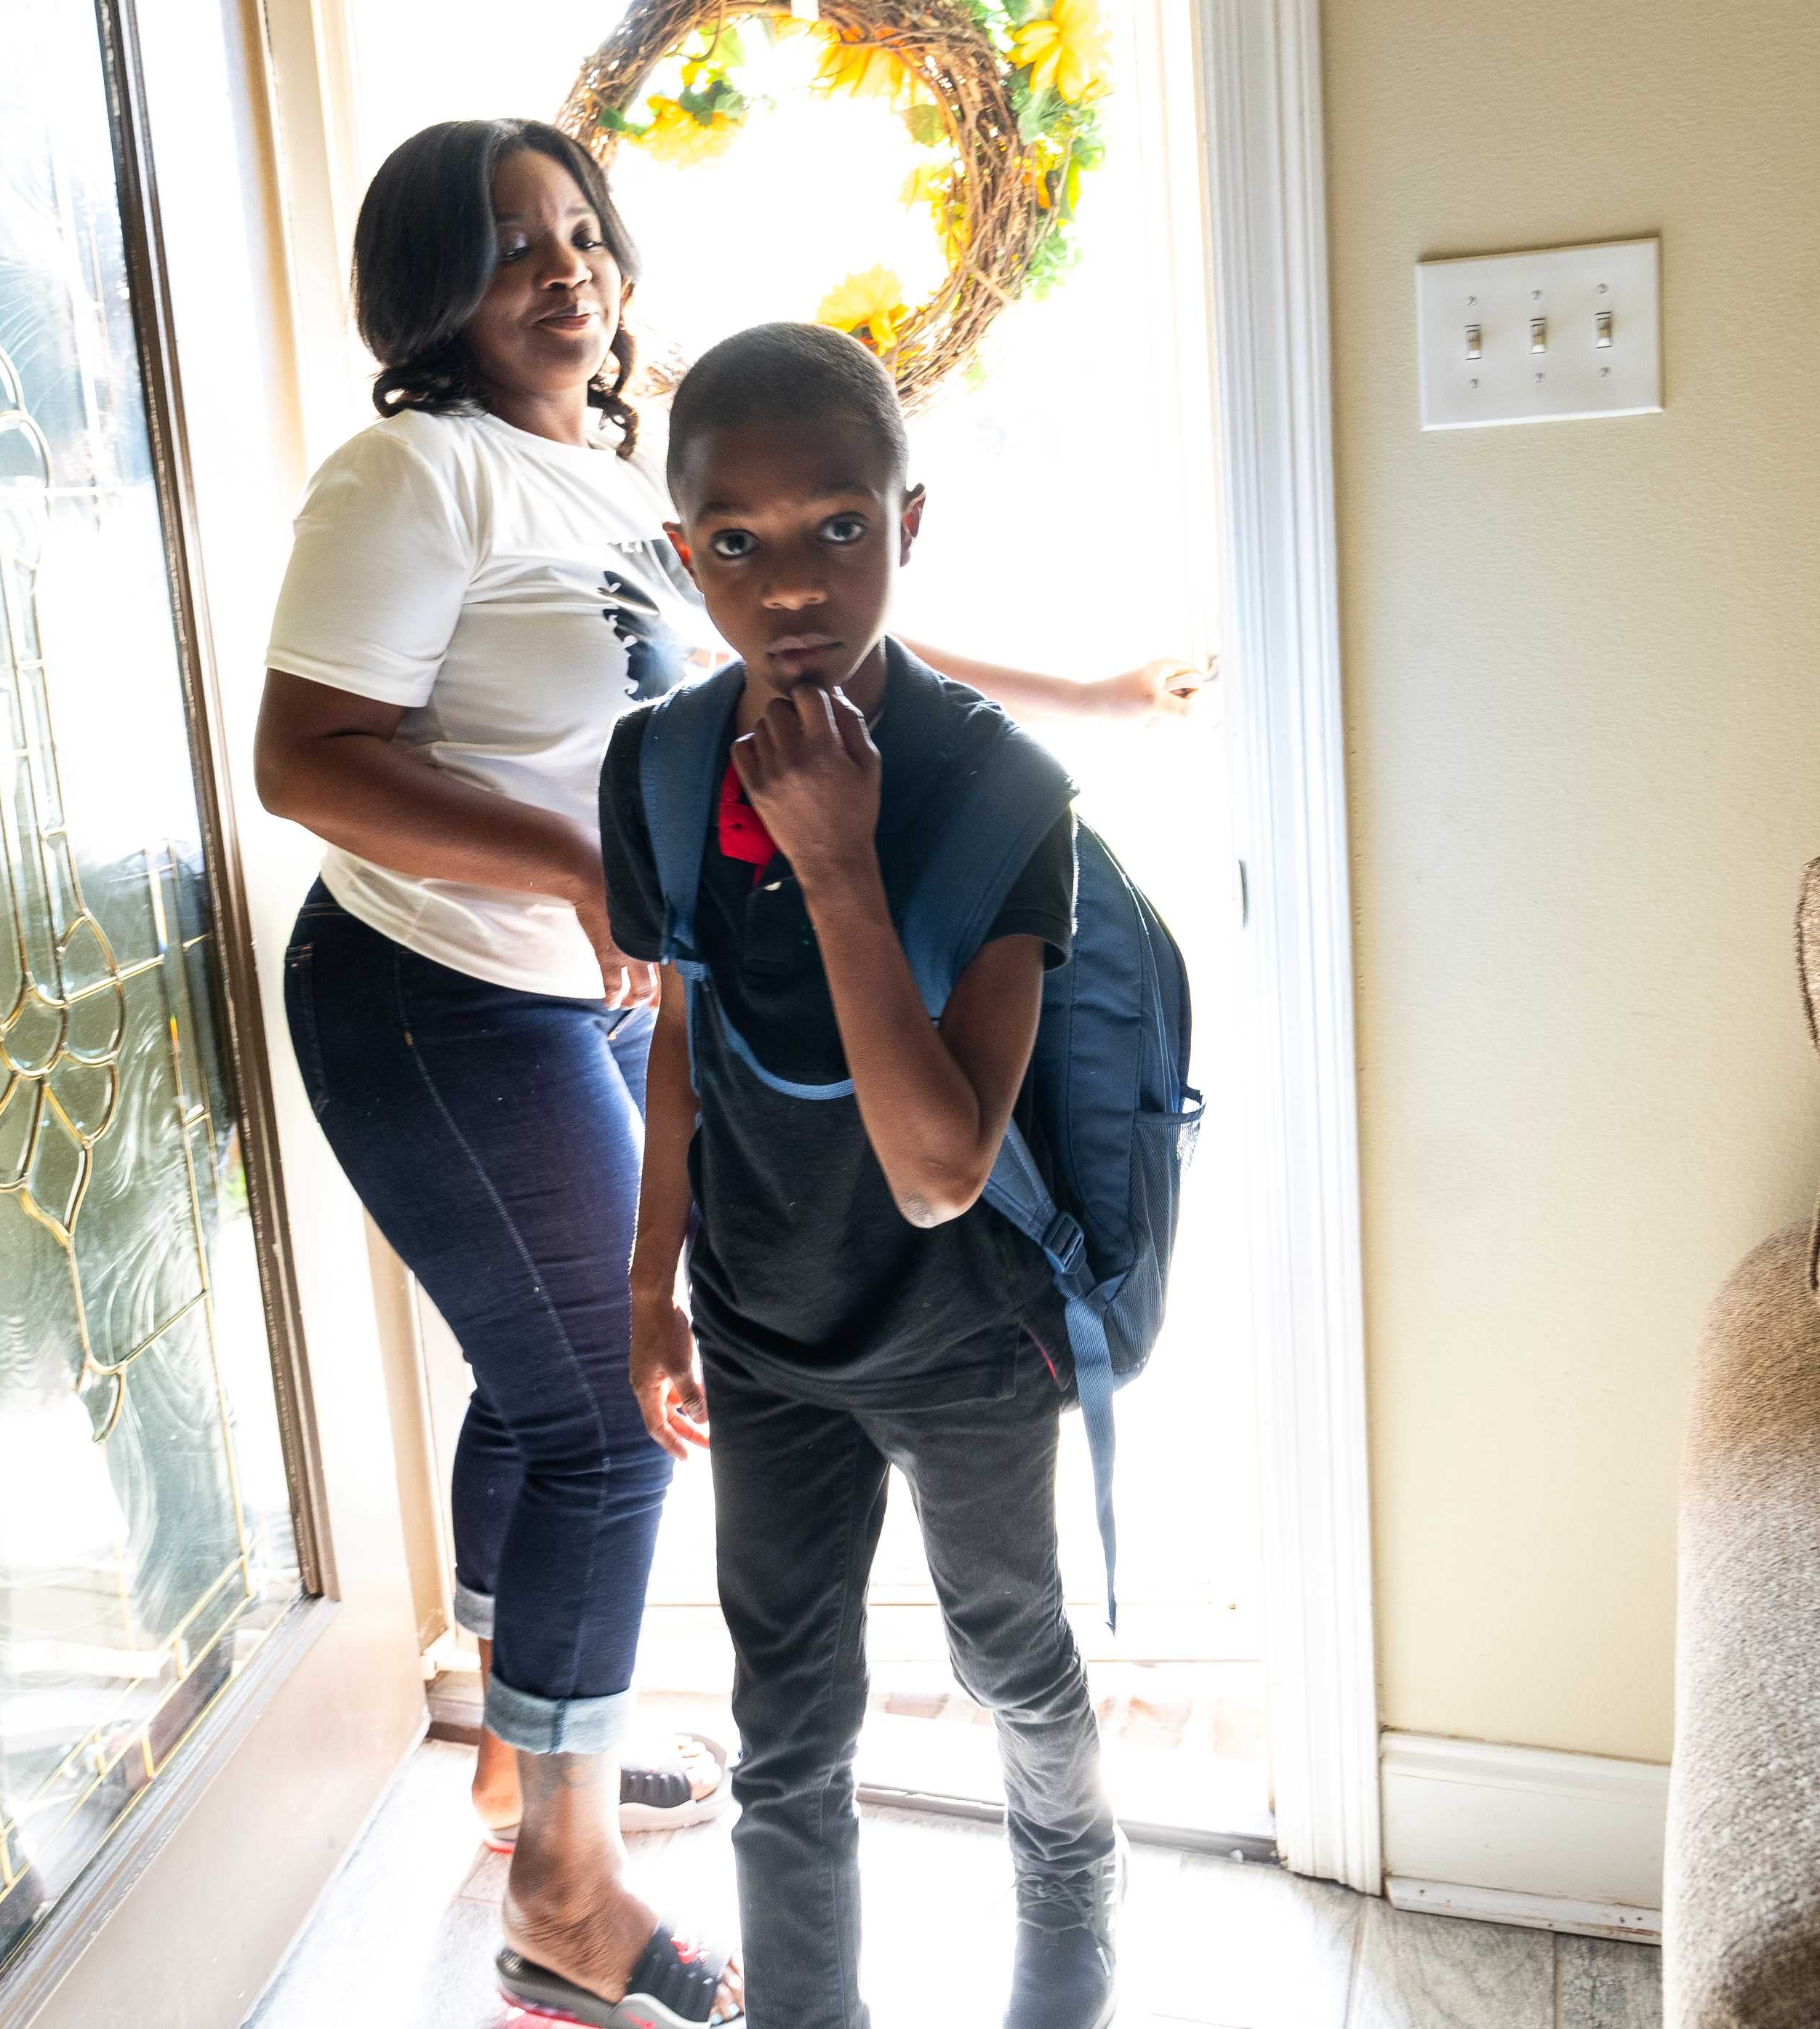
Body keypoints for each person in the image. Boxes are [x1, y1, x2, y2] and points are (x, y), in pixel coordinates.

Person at [257, 121, 1194, 2028]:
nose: (568, 266)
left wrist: (1069, 705)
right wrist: (598, 883)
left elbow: (811, 619)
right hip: (451, 997)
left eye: (581, 229)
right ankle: (566, 1890)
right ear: (423, 285)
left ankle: (550, 1756)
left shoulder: (598, 478)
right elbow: (313, 760)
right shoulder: (417, 471)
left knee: (588, 1429)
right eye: (511, 243)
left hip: (708, 1096)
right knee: (615, 1437)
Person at [601, 323, 1120, 2029]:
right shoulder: (665, 765)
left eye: (839, 525)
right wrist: (651, 1282)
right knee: (786, 1725)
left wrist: (835, 858)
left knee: (1006, 1651)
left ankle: (1068, 1894)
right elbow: (681, 1030)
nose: (792, 584)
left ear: (912, 518)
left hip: (963, 1332)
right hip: (763, 1332)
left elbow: (935, 1168)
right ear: (685, 553)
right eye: (735, 541)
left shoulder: (998, 792)